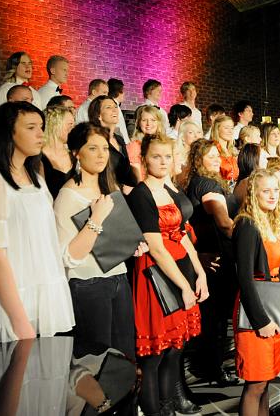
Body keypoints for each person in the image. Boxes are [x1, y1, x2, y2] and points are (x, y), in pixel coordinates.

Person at [0, 101, 75, 348]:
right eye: (31, 127)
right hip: (6, 301)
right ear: (8, 133)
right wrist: (19, 318)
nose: (40, 134)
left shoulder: (37, 180)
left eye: (41, 127)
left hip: (38, 292)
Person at [127, 134, 207, 416]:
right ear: (144, 160)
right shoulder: (141, 194)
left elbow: (181, 234)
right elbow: (157, 248)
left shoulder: (169, 190)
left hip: (181, 270)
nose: (162, 161)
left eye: (167, 156)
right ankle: (155, 411)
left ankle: (169, 406)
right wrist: (184, 285)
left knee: (175, 349)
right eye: (156, 156)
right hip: (156, 277)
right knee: (154, 356)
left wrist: (199, 272)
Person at [54, 123, 140, 356]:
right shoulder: (68, 195)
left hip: (118, 277)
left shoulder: (108, 187)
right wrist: (97, 218)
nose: (102, 154)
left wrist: (130, 245)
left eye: (104, 148)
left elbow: (110, 240)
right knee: (97, 362)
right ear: (76, 153)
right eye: (93, 148)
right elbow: (69, 256)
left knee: (124, 358)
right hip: (88, 284)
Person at [232, 169, 280, 416]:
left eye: (276, 190)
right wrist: (261, 320)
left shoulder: (269, 220)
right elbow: (244, 278)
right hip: (255, 310)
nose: (273, 195)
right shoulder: (246, 223)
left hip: (270, 303)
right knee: (255, 384)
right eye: (266, 190)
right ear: (253, 193)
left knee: (266, 381)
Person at [185, 138, 239, 385]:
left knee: (213, 318)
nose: (217, 159)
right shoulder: (207, 184)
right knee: (215, 319)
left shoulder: (199, 182)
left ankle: (211, 366)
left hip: (209, 254)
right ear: (199, 161)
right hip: (216, 256)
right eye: (211, 156)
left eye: (218, 154)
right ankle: (214, 369)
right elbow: (224, 223)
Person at [89, 96, 135, 193]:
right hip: (108, 193)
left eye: (115, 107)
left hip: (127, 191)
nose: (114, 110)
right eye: (108, 107)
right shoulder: (95, 141)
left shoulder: (119, 139)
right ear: (99, 115)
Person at [40, 105, 75, 199]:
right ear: (54, 124)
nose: (74, 128)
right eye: (70, 124)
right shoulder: (37, 158)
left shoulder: (75, 154)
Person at [129, 105, 165, 182]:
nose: (148, 123)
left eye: (153, 120)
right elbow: (137, 176)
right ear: (138, 123)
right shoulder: (135, 146)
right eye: (144, 120)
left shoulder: (164, 143)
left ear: (159, 122)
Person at [211, 114, 240, 184]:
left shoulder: (233, 150)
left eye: (232, 128)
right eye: (226, 128)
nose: (230, 131)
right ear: (217, 129)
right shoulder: (213, 149)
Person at [233, 142, 261, 209]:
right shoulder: (249, 182)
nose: (267, 160)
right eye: (264, 157)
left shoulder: (244, 181)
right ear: (254, 160)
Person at [174, 119, 202, 185]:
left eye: (198, 132)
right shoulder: (177, 156)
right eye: (191, 132)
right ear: (182, 137)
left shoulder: (203, 154)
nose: (196, 136)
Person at [107, 78, 131, 143]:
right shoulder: (113, 107)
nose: (124, 94)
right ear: (118, 92)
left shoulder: (115, 105)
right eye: (123, 91)